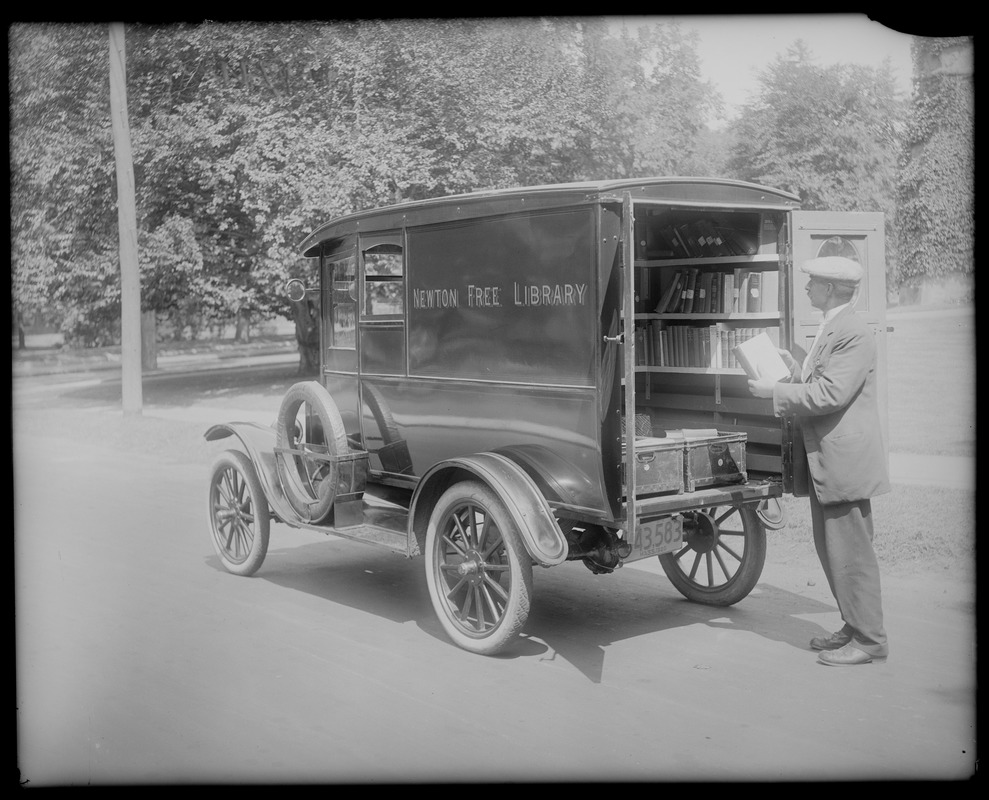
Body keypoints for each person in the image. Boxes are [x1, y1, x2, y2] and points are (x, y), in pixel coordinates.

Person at [747, 256, 890, 666]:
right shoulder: (835, 326)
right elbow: (820, 381)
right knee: (834, 550)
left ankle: (870, 640)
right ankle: (854, 623)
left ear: (830, 288)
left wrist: (775, 391)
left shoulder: (853, 333)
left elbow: (831, 395)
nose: (807, 287)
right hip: (829, 461)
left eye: (813, 283)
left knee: (851, 553)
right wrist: (795, 370)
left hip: (843, 463)